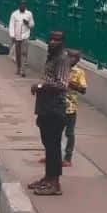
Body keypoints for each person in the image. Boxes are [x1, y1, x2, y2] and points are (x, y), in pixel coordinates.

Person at [29, 31, 71, 196]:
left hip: (55, 107)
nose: (53, 42)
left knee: (53, 145)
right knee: (47, 143)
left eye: (57, 40)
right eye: (51, 39)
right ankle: (48, 177)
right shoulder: (52, 57)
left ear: (62, 42)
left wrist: (40, 87)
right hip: (45, 106)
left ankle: (55, 183)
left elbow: (62, 84)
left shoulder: (61, 59)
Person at [61, 50, 87, 166]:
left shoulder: (79, 72)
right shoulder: (60, 69)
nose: (71, 59)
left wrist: (70, 83)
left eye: (74, 57)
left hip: (70, 107)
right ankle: (52, 155)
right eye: (69, 56)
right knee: (54, 132)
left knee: (69, 133)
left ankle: (68, 157)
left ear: (77, 60)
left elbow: (83, 90)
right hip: (58, 105)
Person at [8, 0, 35, 76]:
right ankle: (18, 68)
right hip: (17, 37)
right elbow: (11, 25)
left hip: (25, 36)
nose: (22, 6)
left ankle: (23, 71)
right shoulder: (14, 14)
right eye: (21, 5)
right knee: (18, 54)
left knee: (24, 53)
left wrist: (28, 23)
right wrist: (12, 35)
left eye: (24, 5)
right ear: (19, 6)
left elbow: (32, 24)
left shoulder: (29, 14)